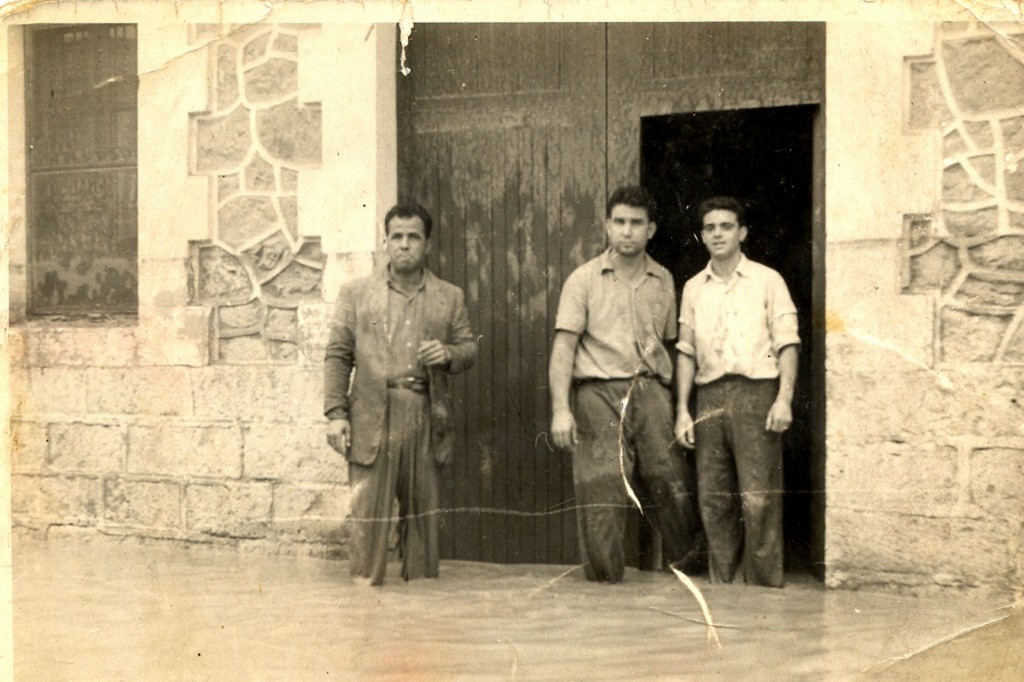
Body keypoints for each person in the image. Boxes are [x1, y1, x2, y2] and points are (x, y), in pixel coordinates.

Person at [549, 185, 701, 583]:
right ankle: (605, 588)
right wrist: (561, 410)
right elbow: (563, 348)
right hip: (597, 391)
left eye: (636, 223)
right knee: (603, 486)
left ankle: (691, 576)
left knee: (669, 477)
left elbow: (669, 342)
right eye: (619, 222)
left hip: (650, 389)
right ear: (606, 226)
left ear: (650, 229)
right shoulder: (583, 279)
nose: (627, 231)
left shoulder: (663, 279)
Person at [324, 202, 477, 586]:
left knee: (423, 524)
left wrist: (448, 353)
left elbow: (468, 348)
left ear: (427, 244)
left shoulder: (448, 296)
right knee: (367, 520)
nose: (404, 245)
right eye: (397, 237)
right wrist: (336, 413)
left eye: (413, 237)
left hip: (424, 412)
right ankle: (363, 607)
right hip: (372, 414)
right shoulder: (356, 294)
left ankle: (420, 608)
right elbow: (338, 355)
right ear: (386, 241)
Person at [674, 196, 799, 588]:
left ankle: (762, 589)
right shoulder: (694, 288)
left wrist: (784, 397)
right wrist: (682, 409)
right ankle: (723, 589)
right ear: (702, 234)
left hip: (757, 394)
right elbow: (686, 351)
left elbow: (788, 343)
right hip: (709, 397)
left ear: (742, 232)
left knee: (758, 497)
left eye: (726, 226)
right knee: (714, 499)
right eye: (710, 227)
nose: (717, 234)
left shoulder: (768, 280)